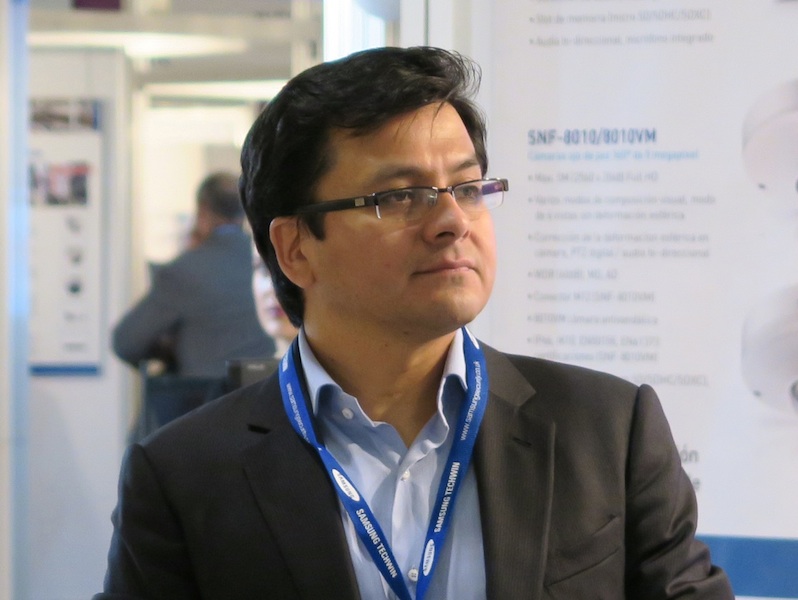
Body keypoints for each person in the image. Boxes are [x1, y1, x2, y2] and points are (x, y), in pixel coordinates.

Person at [96, 47, 733, 599]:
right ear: (295, 248)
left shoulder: (607, 430)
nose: (452, 221)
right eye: (400, 197)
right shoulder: (185, 475)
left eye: (468, 188)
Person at [112, 171, 275, 378]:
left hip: (205, 395)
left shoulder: (184, 270)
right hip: (266, 391)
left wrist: (170, 354)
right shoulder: (269, 261)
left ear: (202, 211)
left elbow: (126, 342)